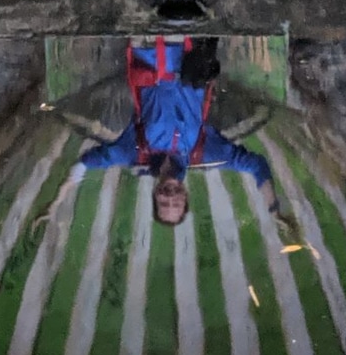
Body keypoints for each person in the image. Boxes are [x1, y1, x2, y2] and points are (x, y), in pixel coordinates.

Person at [35, 36, 285, 232]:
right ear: (185, 196)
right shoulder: (203, 153)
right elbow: (256, 165)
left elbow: (85, 163)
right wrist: (274, 209)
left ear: (155, 195)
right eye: (176, 203)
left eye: (164, 203)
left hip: (147, 49)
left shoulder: (135, 152)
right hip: (190, 48)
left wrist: (56, 202)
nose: (170, 198)